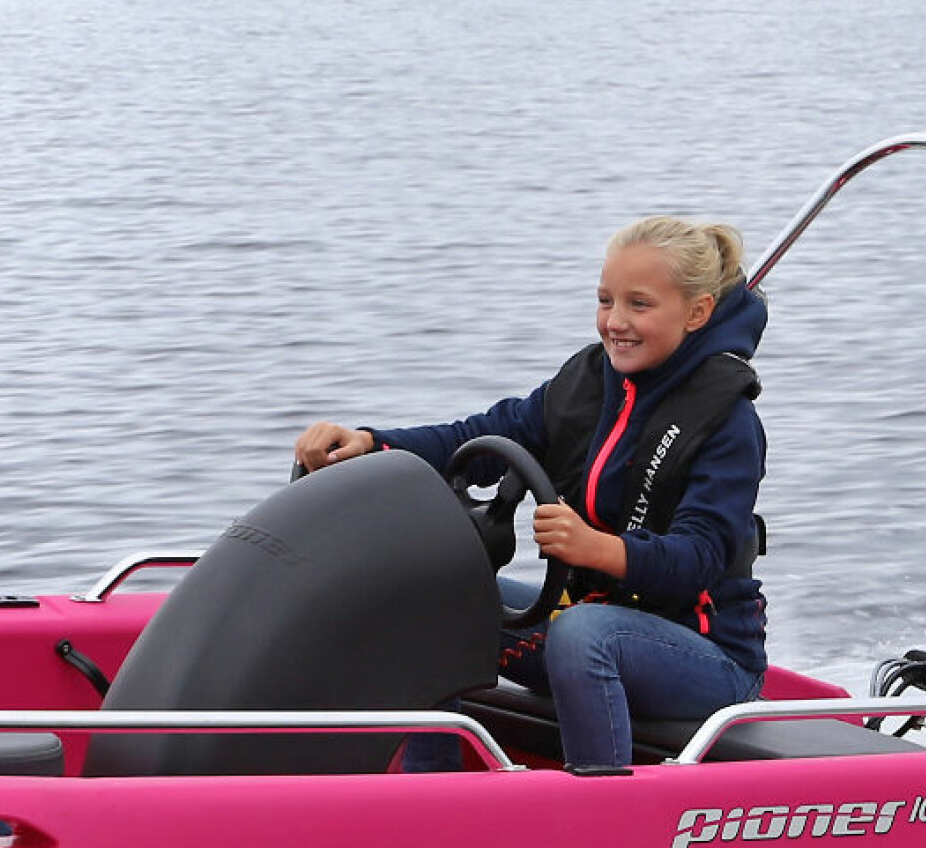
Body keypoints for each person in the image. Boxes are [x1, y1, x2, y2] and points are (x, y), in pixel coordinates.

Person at [290, 217, 769, 769]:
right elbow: (484, 436)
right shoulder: (589, 381)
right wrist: (371, 443)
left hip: (710, 659)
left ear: (697, 312)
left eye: (639, 304)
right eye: (605, 300)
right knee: (431, 596)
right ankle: (435, 795)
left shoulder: (729, 422)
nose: (615, 321)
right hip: (595, 620)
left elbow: (699, 558)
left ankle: (599, 800)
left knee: (585, 634)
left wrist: (596, 549)